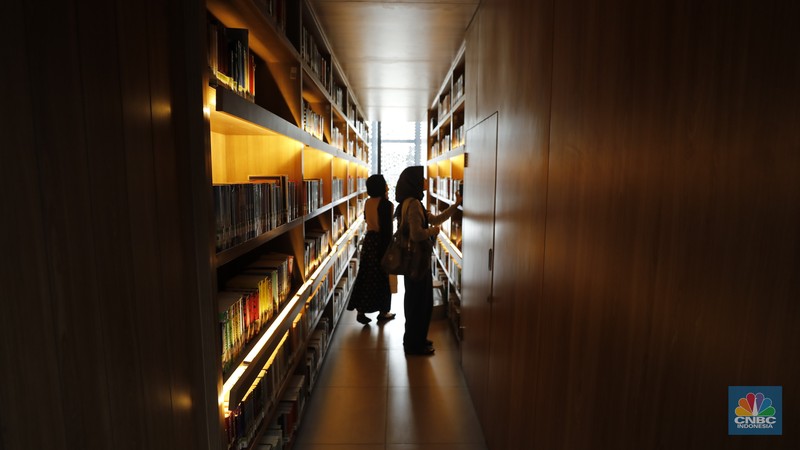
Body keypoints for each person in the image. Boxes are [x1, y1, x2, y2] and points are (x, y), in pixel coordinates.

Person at [394, 166, 462, 355]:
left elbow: (435, 218)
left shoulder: (410, 202)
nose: (425, 180)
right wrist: (434, 232)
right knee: (419, 303)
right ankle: (414, 344)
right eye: (422, 178)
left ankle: (416, 339)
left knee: (417, 301)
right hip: (417, 262)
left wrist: (455, 205)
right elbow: (417, 234)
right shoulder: (414, 204)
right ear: (414, 182)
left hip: (414, 262)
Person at [347, 174, 396, 324]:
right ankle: (383, 312)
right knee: (382, 277)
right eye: (385, 183)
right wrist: (390, 249)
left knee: (366, 276)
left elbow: (368, 220)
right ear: (381, 186)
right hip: (381, 242)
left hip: (369, 242)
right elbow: (387, 229)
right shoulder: (387, 204)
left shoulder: (367, 202)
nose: (387, 185)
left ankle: (360, 311)